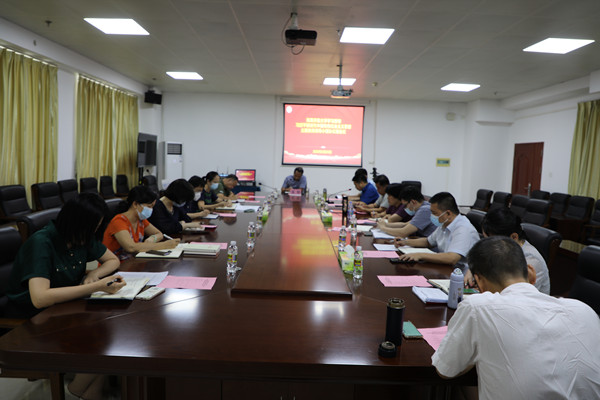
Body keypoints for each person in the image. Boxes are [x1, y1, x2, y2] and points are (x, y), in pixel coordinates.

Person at [432, 236, 600, 400]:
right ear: (531, 273)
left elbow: (446, 370)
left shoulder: (478, 307)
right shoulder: (585, 310)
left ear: (479, 282)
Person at [6, 193, 126, 318]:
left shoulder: (82, 237)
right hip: (32, 314)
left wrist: (94, 274)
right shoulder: (41, 243)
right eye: (93, 228)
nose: (94, 232)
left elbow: (112, 260)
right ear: (77, 223)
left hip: (64, 305)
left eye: (97, 227)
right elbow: (40, 299)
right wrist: (96, 287)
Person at [463, 207, 550, 294]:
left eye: (492, 242)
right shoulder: (502, 250)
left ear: (514, 237)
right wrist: (472, 269)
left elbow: (514, 295)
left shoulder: (532, 260)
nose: (488, 246)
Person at [395, 192, 479, 270]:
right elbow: (428, 242)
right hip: (445, 269)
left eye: (434, 213)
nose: (432, 216)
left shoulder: (463, 229)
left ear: (448, 213)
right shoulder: (444, 223)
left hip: (460, 275)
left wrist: (419, 255)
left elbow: (452, 258)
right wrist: (405, 242)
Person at [103, 185, 180, 260]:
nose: (151, 210)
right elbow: (131, 247)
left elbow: (159, 234)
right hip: (116, 264)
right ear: (135, 204)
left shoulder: (140, 220)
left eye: (152, 207)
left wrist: (152, 239)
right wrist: (164, 245)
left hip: (133, 261)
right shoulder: (119, 221)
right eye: (149, 206)